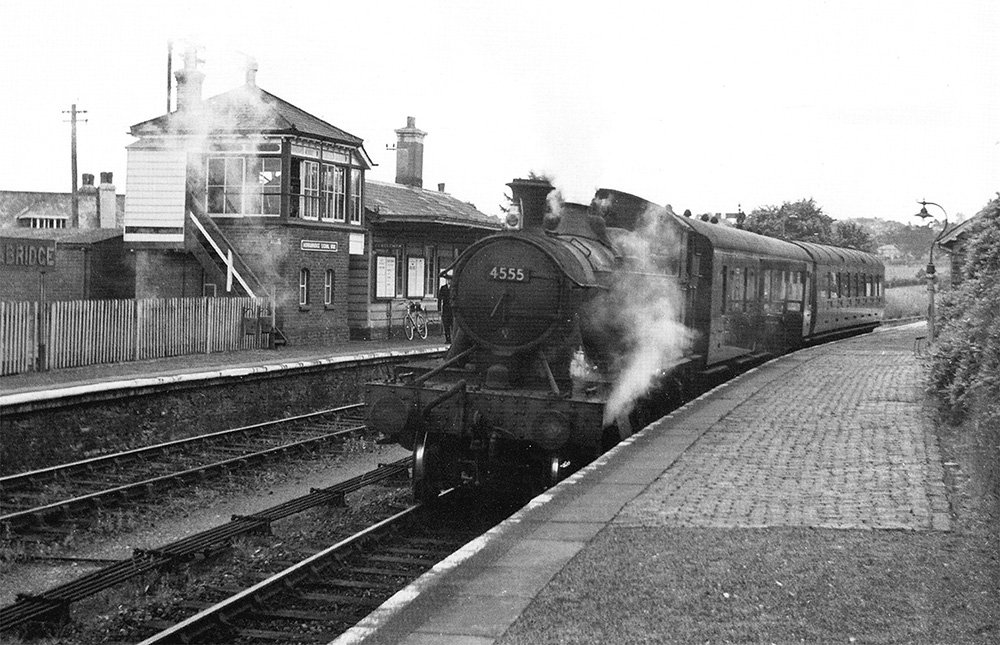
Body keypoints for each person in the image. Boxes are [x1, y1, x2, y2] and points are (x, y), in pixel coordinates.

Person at [438, 275, 453, 342]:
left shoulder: (453, 288)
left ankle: (453, 338)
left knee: (452, 324)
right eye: (448, 280)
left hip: (452, 309)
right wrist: (439, 309)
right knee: (446, 324)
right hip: (445, 308)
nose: (449, 281)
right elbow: (439, 299)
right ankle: (448, 338)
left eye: (450, 280)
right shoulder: (443, 288)